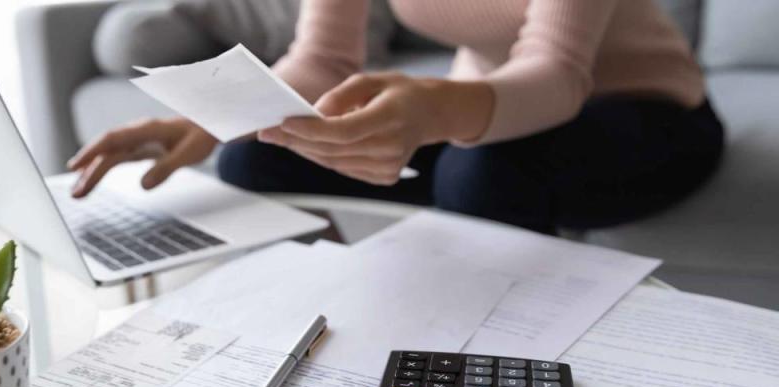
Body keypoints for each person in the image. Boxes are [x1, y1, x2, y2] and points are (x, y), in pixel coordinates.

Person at [67, 0, 724, 235]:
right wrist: (210, 120)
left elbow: (558, 72)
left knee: (479, 176)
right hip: (493, 110)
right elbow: (321, 58)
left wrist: (438, 106)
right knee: (255, 155)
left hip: (647, 111)